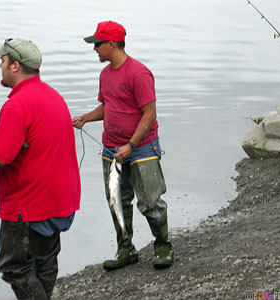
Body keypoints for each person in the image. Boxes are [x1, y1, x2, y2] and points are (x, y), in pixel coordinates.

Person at [0, 38, 81, 299]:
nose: (0, 66)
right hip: (59, 200)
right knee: (44, 264)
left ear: (15, 66)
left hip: (29, 206)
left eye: (2, 61)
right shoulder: (53, 96)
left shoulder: (16, 104)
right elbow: (35, 148)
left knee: (13, 266)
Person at [73, 21, 173, 271]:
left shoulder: (139, 73)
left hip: (141, 148)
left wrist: (131, 144)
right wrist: (86, 117)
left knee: (150, 202)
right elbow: (108, 107)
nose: (94, 49)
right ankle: (125, 250)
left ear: (111, 43)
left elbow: (149, 114)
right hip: (111, 149)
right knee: (117, 200)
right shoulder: (105, 74)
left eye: (97, 44)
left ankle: (162, 245)